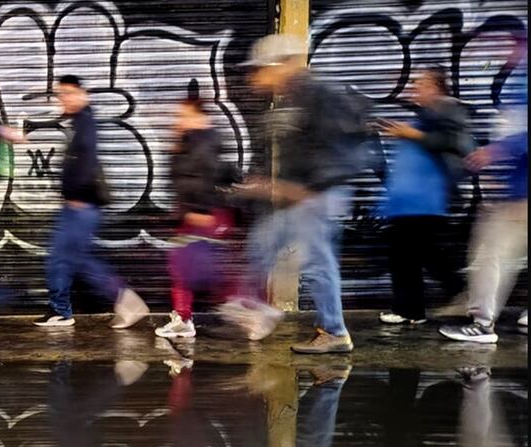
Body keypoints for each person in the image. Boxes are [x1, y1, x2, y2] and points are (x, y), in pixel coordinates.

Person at [220, 34, 364, 353]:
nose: (255, 76)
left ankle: (335, 332)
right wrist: (269, 185)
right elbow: (296, 152)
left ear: (283, 64)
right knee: (262, 243)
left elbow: (340, 145)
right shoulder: (289, 99)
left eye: (261, 69)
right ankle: (255, 308)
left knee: (317, 262)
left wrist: (309, 187)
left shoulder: (320, 93)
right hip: (296, 195)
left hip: (318, 194)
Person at [34, 75, 149, 329]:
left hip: (81, 205)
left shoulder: (85, 123)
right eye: (61, 94)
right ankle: (60, 311)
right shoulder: (78, 123)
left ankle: (123, 298)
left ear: (82, 94)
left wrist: (77, 195)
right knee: (61, 258)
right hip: (75, 205)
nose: (63, 99)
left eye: (68, 93)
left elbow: (86, 162)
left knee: (76, 258)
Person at [440, 34, 528, 344]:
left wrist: (495, 151)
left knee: (490, 252)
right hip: (518, 190)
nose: (509, 50)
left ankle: (482, 325)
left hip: (522, 195)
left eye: (516, 44)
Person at [376, 66, 470, 326]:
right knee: (413, 256)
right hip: (410, 201)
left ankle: (452, 294)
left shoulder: (447, 107)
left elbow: (452, 142)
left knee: (417, 256)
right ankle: (414, 310)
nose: (415, 87)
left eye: (422, 83)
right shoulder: (426, 114)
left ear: (437, 86)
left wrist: (411, 134)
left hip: (427, 199)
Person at [155, 98, 239, 339]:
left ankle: (186, 319)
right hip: (194, 215)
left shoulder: (203, 145)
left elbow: (205, 178)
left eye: (185, 115)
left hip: (201, 216)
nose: (179, 120)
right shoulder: (193, 142)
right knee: (193, 268)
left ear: (202, 118)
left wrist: (200, 211)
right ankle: (240, 309)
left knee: (188, 269)